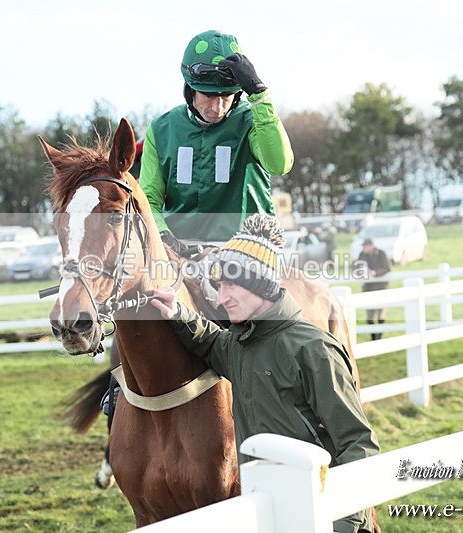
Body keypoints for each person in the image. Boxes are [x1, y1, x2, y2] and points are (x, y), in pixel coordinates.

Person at [151, 214, 380, 533]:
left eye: (231, 284)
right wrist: (177, 311)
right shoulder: (239, 345)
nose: (221, 298)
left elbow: (358, 443)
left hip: (324, 513)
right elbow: (208, 341)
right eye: (218, 286)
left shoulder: (314, 349)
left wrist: (345, 524)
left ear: (261, 285)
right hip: (268, 507)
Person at [139, 29, 294, 249]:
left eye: (226, 97)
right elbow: (148, 199)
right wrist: (161, 234)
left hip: (248, 248)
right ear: (189, 89)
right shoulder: (161, 128)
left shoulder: (253, 121)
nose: (217, 108)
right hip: (181, 249)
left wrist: (259, 94)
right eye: (209, 95)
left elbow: (280, 164)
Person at [356, 239, 391, 340]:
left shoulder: (381, 254)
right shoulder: (361, 255)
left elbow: (387, 268)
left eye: (365, 246)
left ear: (371, 246)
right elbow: (356, 267)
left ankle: (379, 337)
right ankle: (373, 338)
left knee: (381, 314)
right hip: (368, 289)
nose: (363, 248)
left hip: (381, 288)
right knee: (369, 315)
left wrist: (375, 273)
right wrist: (360, 272)